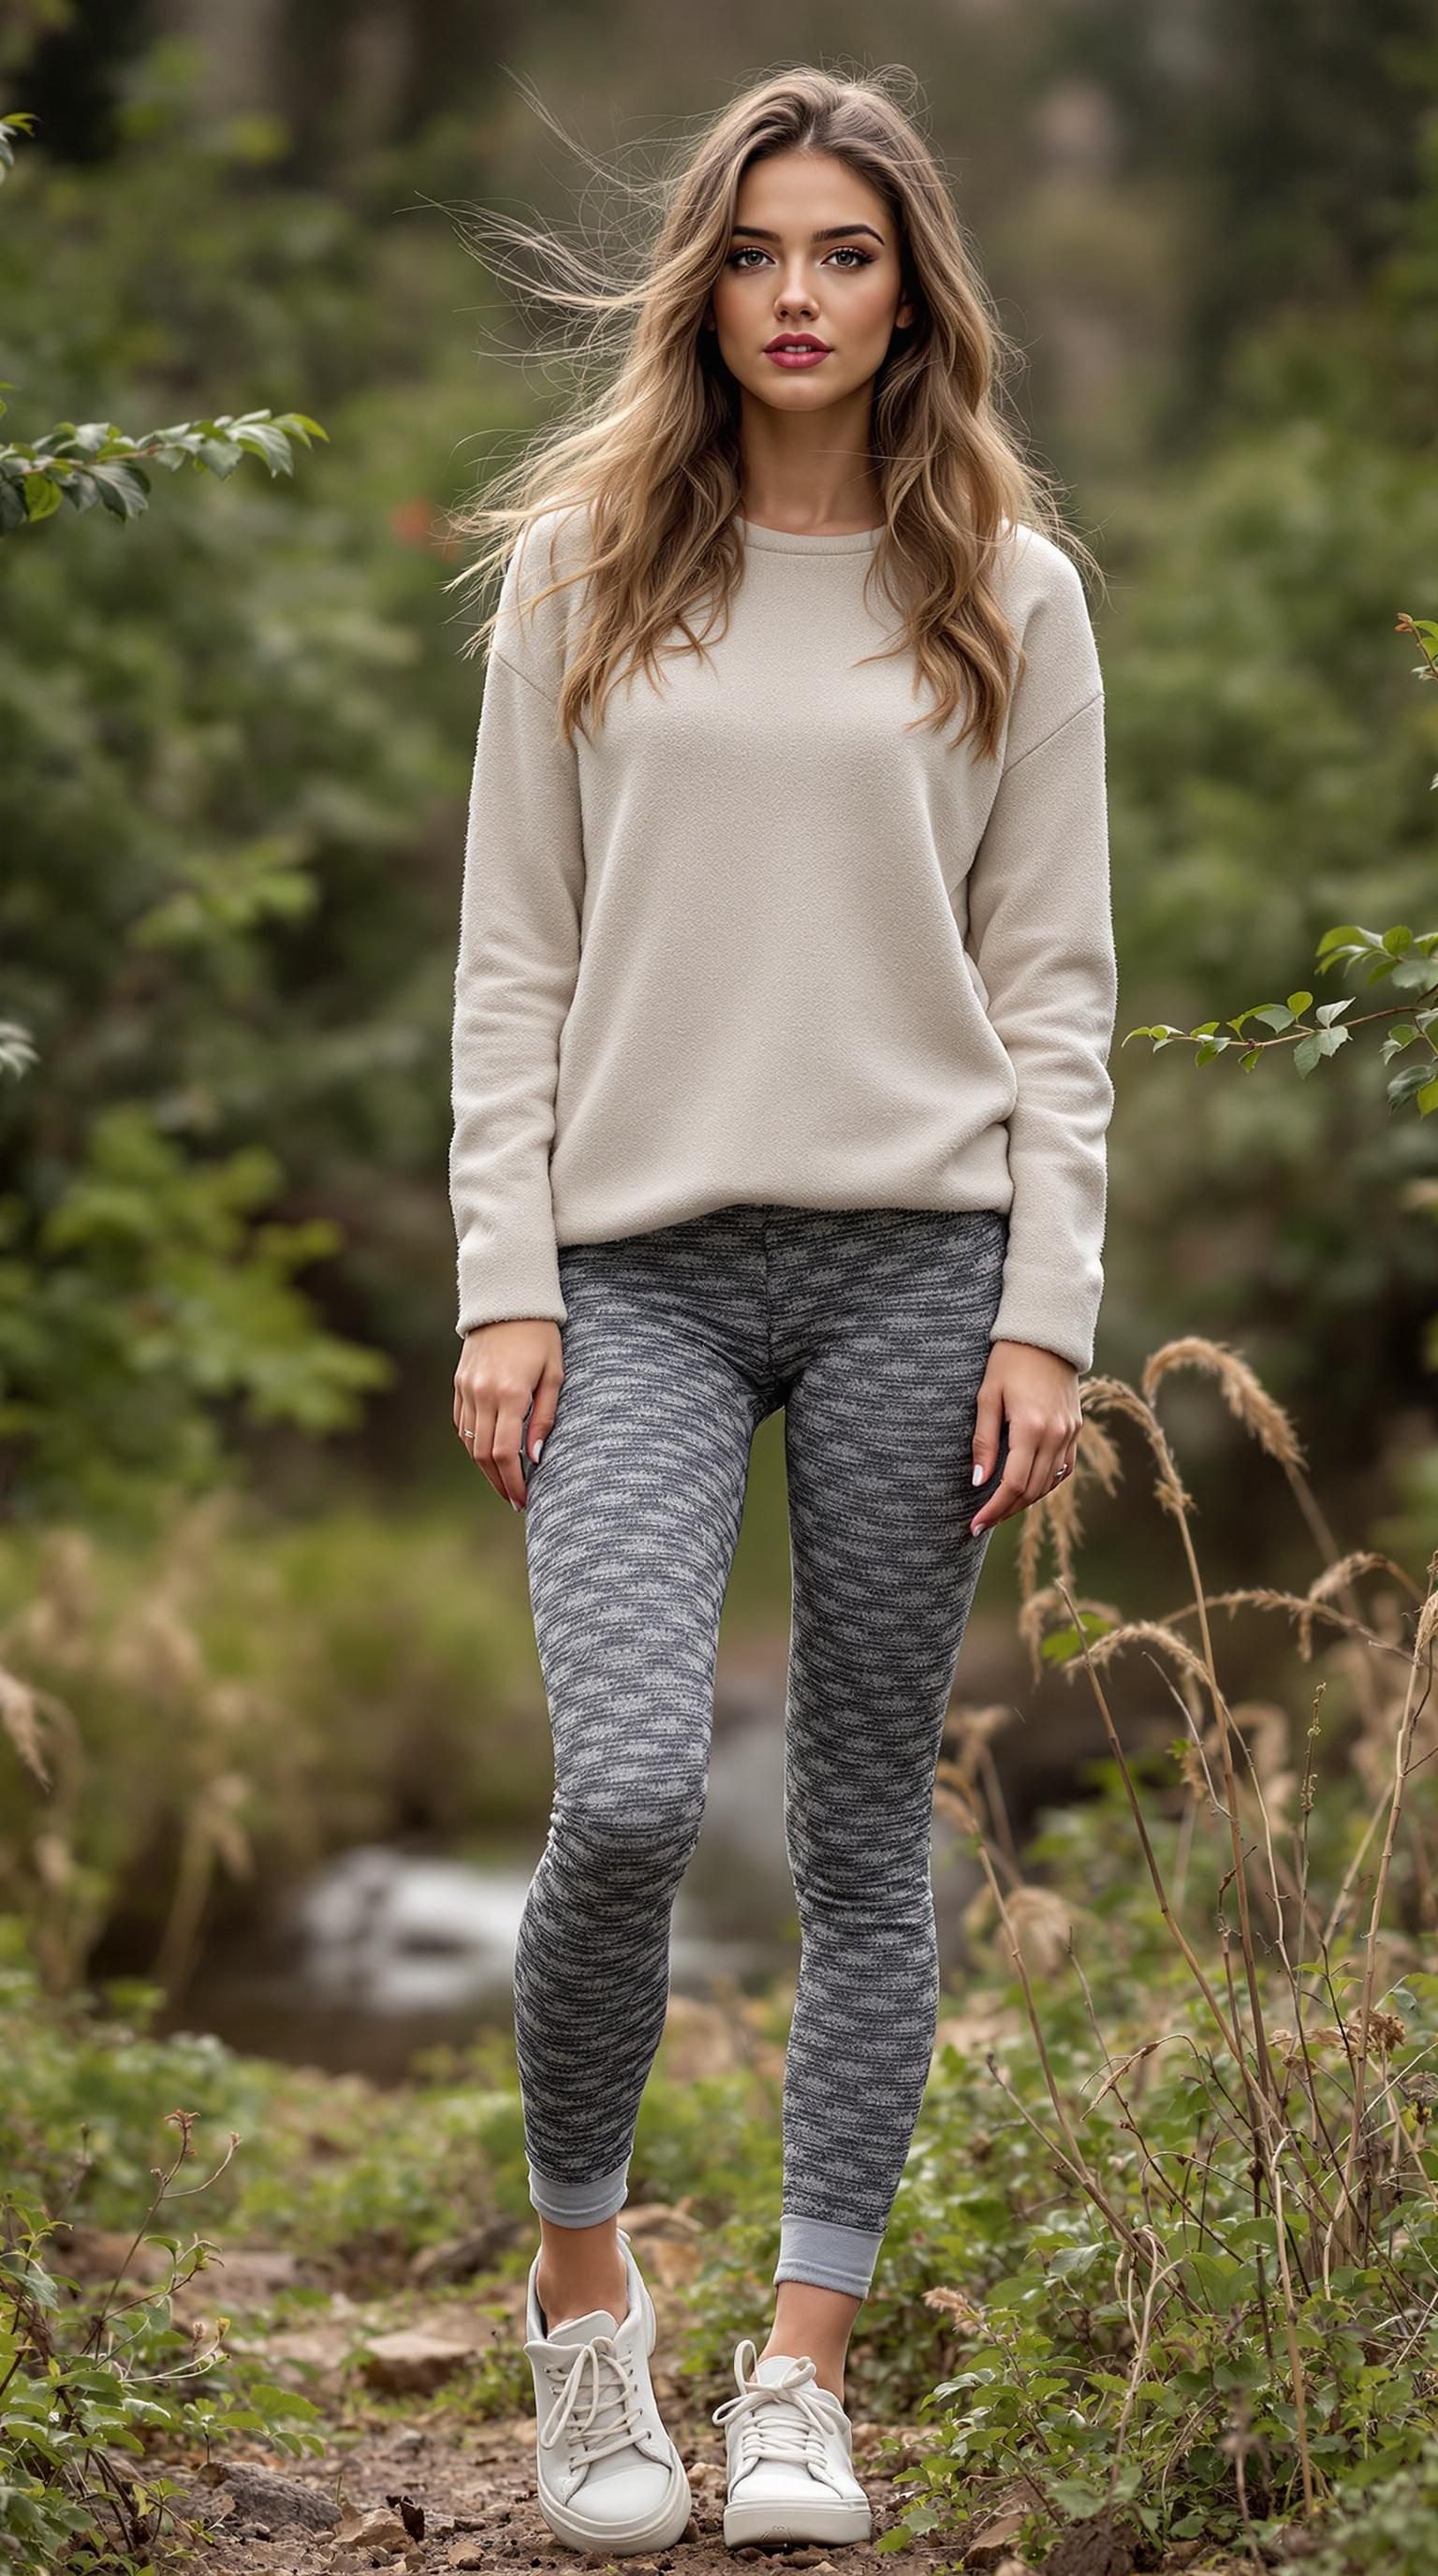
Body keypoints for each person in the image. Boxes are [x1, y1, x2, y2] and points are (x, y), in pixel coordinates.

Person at [446, 64, 1116, 2559]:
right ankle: (583, 2305)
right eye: (755, 253)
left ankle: (803, 2374)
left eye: (846, 253)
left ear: (914, 289)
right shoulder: (585, 568)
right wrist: (504, 1281)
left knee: (856, 1832)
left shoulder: (1009, 592)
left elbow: (1056, 987)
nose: (798, 297)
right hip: (625, 1267)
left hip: (916, 1262)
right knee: (629, 1791)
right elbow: (510, 964)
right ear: (700, 288)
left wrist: (1046, 1313)